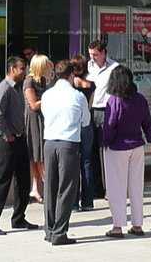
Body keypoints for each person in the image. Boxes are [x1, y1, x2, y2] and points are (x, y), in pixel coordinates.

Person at [101, 64, 151, 237]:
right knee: (136, 186)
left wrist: (105, 142)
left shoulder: (114, 100)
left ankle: (117, 226)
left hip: (117, 147)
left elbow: (110, 125)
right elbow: (147, 123)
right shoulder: (140, 99)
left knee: (116, 187)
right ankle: (137, 225)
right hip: (137, 146)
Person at [0, 57, 38, 236]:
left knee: (23, 181)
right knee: (2, 180)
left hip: (20, 140)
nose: (25, 71)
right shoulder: (4, 88)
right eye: (22, 68)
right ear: (12, 69)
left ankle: (19, 218)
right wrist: (7, 135)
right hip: (9, 142)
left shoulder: (18, 88)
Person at [40, 59, 90, 246]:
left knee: (50, 187)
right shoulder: (77, 96)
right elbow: (85, 121)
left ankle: (50, 229)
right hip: (68, 143)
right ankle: (60, 232)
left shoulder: (47, 95)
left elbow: (44, 114)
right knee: (66, 188)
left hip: (49, 142)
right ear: (71, 75)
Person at [86, 39, 118, 201]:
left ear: (104, 53)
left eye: (96, 55)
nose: (93, 58)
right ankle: (96, 187)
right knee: (91, 150)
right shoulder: (88, 66)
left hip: (106, 110)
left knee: (105, 150)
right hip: (90, 110)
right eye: (91, 54)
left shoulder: (114, 68)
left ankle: (109, 188)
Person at [69, 55, 98, 210]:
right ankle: (88, 202)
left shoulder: (70, 86)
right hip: (87, 125)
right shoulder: (91, 85)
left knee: (73, 163)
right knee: (86, 163)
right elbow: (90, 107)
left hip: (73, 126)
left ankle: (73, 202)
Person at [23, 54, 53, 202]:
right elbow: (33, 105)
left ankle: (35, 188)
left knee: (37, 154)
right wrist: (49, 97)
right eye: (46, 64)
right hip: (33, 120)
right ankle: (48, 185)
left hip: (42, 118)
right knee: (38, 153)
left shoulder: (41, 80)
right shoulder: (29, 82)